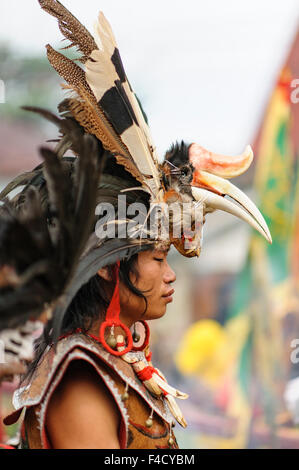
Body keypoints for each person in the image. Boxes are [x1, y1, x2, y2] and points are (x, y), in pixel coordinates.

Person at [1, 0, 271, 449]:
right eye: (158, 257)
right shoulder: (80, 379)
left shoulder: (110, 362)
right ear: (110, 265)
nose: (170, 275)